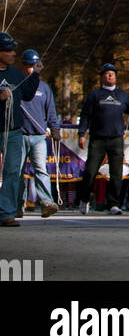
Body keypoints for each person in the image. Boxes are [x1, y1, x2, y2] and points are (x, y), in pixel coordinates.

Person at [78, 62, 129, 215]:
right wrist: (81, 134)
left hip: (116, 139)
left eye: (112, 73)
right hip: (97, 139)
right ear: (102, 77)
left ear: (116, 77)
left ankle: (113, 203)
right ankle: (84, 199)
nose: (110, 75)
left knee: (117, 173)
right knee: (90, 171)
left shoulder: (123, 95)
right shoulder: (95, 95)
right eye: (106, 73)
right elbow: (85, 115)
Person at [0, 32, 41, 227]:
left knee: (12, 172)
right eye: (9, 50)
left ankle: (6, 213)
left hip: (13, 131)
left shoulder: (16, 73)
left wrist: (35, 75)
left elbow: (28, 95)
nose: (13, 54)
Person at [16, 48, 61, 219]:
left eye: (33, 66)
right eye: (28, 65)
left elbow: (51, 111)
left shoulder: (44, 88)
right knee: (18, 172)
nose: (30, 69)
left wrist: (55, 128)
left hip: (38, 136)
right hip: (19, 135)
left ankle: (46, 203)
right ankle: (17, 205)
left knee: (41, 169)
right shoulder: (18, 84)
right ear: (23, 65)